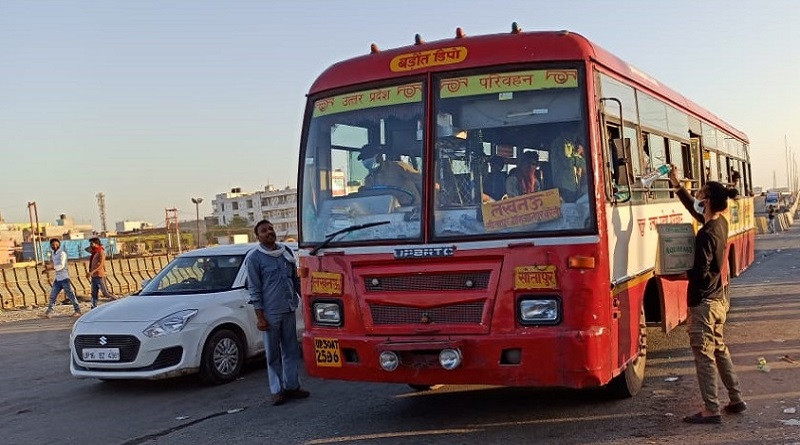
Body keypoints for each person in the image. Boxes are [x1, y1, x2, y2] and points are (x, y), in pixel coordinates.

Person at [668, 166, 746, 424]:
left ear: (708, 200)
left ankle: (711, 409)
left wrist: (674, 275)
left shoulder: (704, 235)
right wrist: (678, 185)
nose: (697, 197)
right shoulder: (720, 224)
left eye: (700, 193)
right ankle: (735, 398)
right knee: (720, 348)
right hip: (719, 300)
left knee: (704, 355)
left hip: (703, 303)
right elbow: (694, 209)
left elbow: (699, 274)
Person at [246, 219, 310, 406]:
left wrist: (305, 301)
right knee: (273, 354)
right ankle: (277, 390)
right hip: (270, 313)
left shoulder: (286, 253)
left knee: (291, 350)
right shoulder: (255, 258)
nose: (269, 232)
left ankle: (292, 386)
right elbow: (255, 290)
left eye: (271, 229)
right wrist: (260, 317)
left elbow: (295, 280)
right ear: (257, 236)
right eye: (264, 231)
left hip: (289, 309)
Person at [41, 239, 82, 318]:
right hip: (58, 279)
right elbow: (54, 265)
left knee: (70, 295)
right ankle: (49, 312)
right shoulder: (54, 254)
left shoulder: (62, 253)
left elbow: (61, 266)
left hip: (64, 278)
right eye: (53, 245)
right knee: (53, 295)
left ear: (59, 245)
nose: (55, 246)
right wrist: (47, 270)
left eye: (56, 244)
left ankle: (78, 311)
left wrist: (51, 267)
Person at [85, 237, 116, 308]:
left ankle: (117, 301)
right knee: (94, 293)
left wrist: (92, 272)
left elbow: (101, 264)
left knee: (105, 293)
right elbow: (86, 249)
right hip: (94, 276)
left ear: (96, 243)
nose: (90, 245)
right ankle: (93, 307)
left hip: (100, 276)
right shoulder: (94, 252)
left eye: (92, 243)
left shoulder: (101, 251)